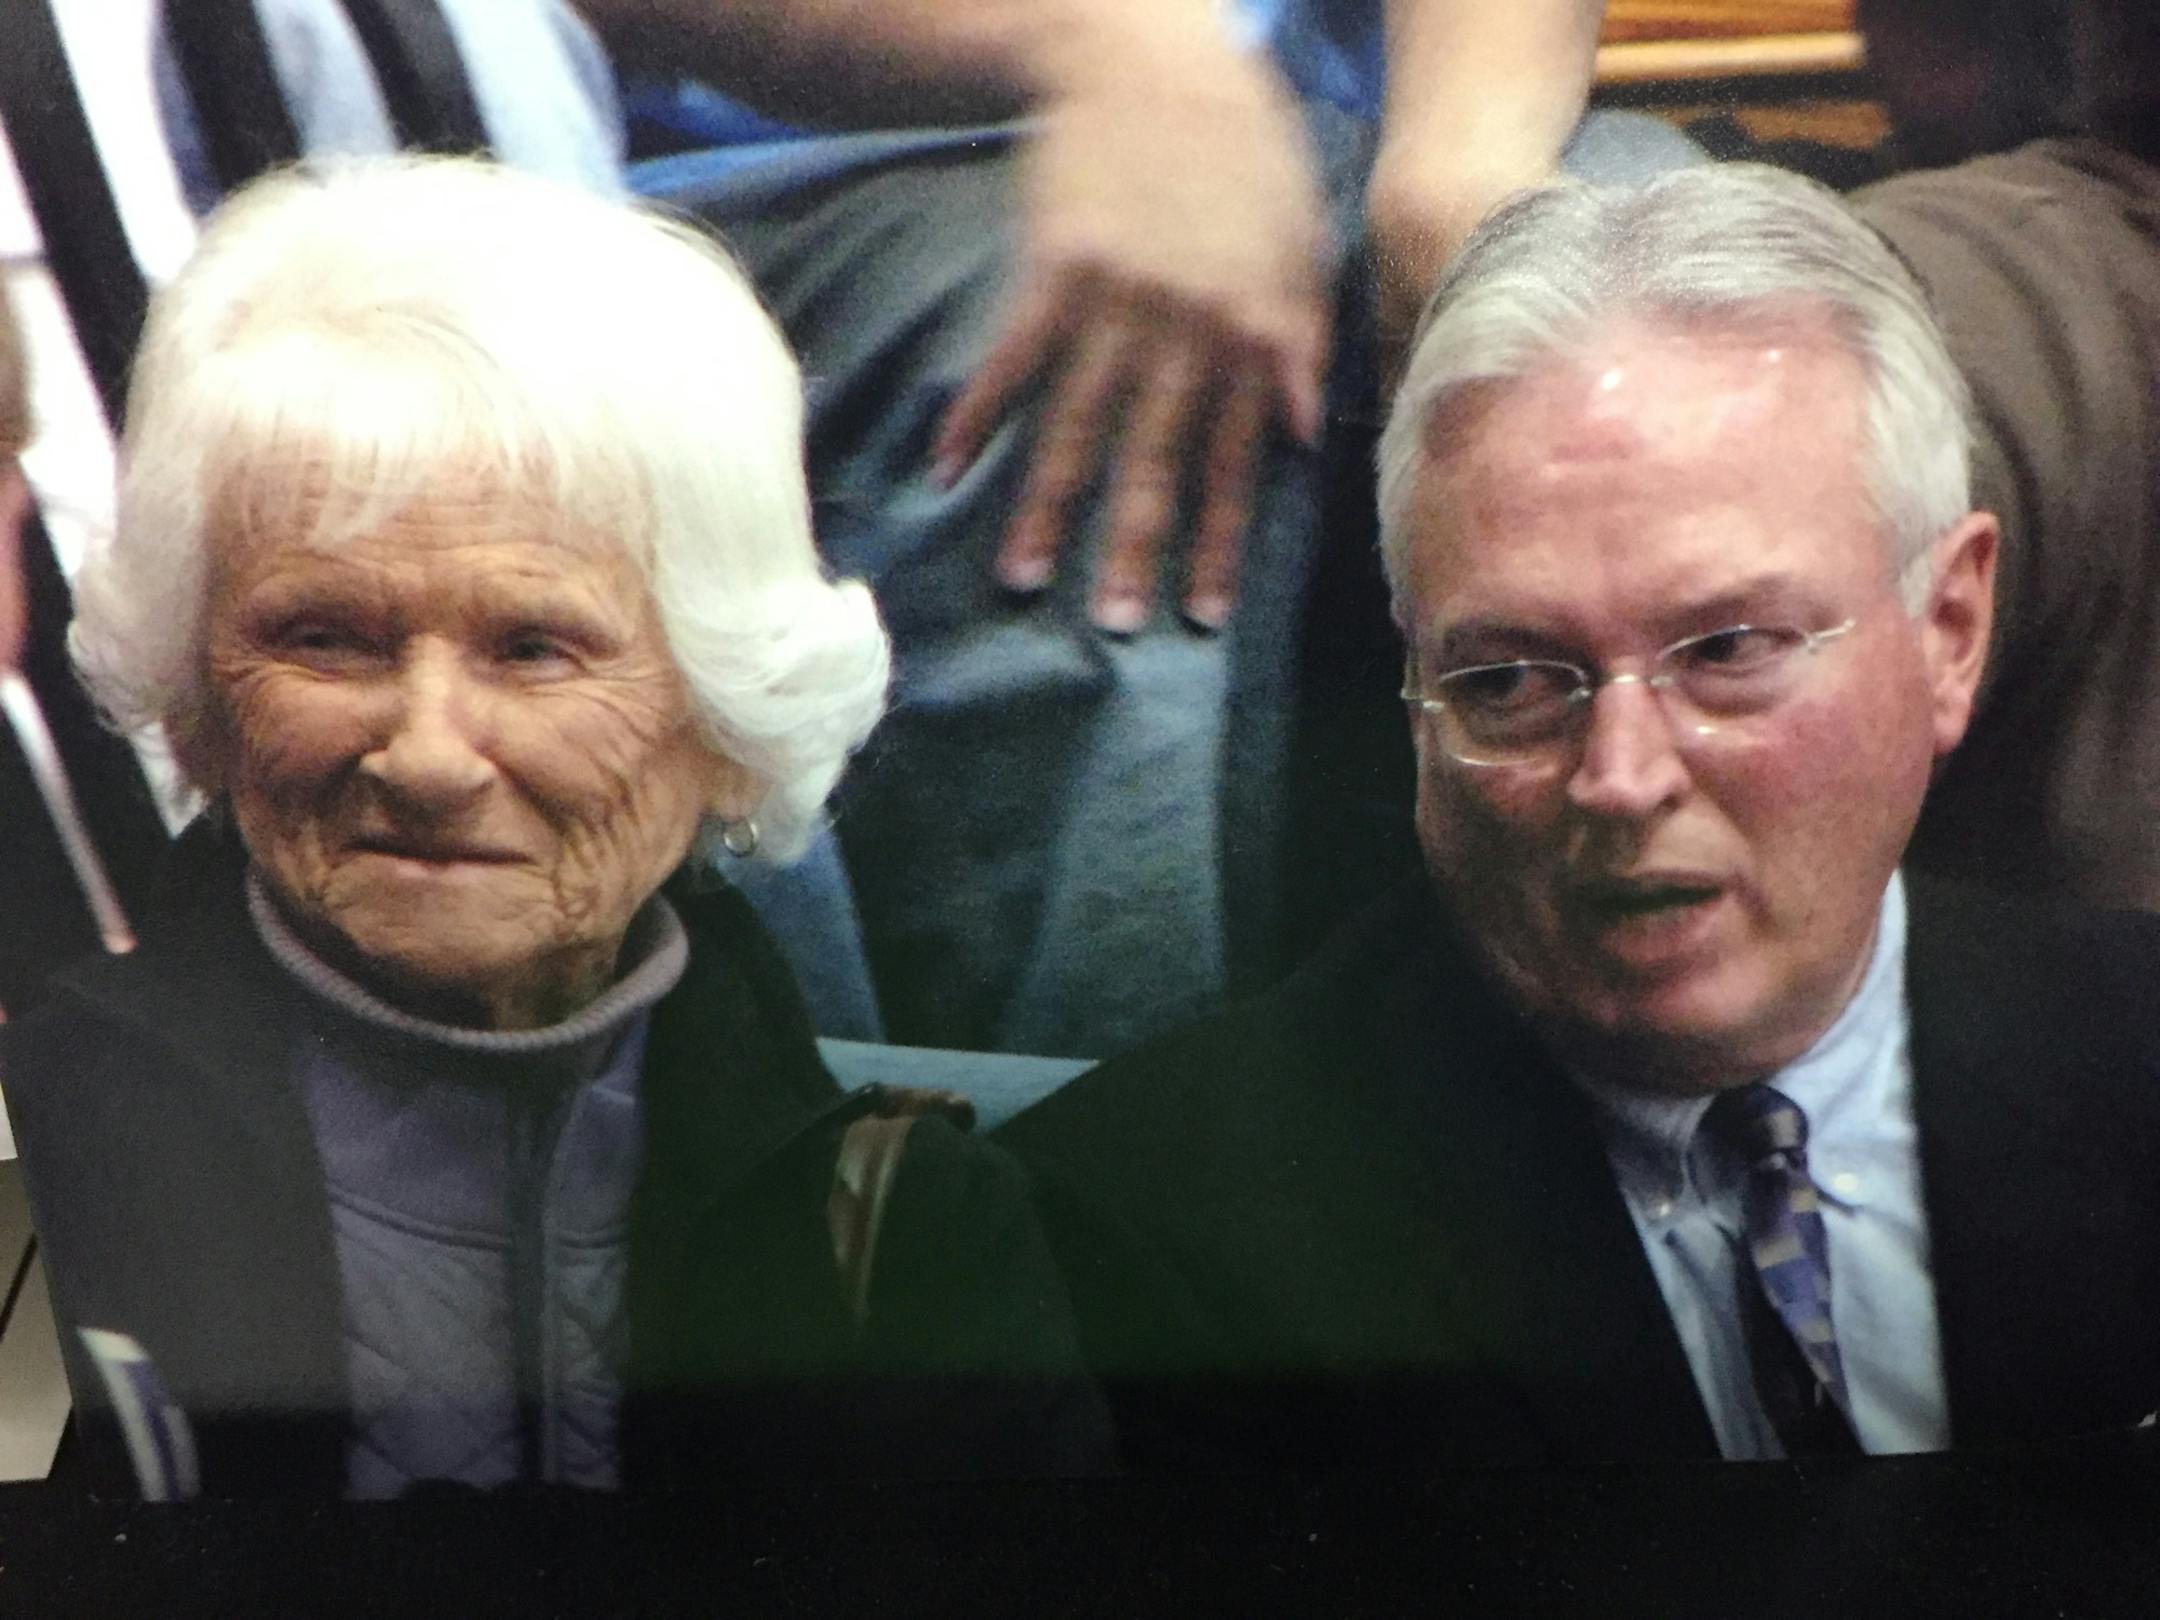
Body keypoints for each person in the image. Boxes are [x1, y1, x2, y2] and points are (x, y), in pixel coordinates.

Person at [156, 0, 1701, 1056]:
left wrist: (1465, 175)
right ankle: (1076, 1227)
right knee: (1086, 361)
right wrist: (1100, 44)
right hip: (819, 155)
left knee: (1666, 272)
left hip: (1341, 131)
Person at [998, 163, 2160, 1469]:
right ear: (1411, 686)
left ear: (1949, 631)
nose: (1620, 776)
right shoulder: (1152, 1233)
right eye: (1508, 681)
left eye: (1727, 649)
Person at [3, 156, 1105, 1498]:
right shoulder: (33, 1171)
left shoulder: (914, 1235)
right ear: (196, 693)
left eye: (533, 649)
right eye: (325, 639)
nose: (424, 754)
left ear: (724, 710)